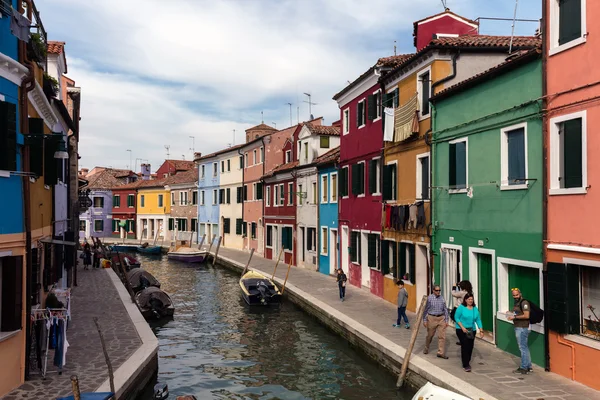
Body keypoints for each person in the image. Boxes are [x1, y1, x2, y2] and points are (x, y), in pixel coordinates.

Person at [454, 293, 484, 372]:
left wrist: (481, 330)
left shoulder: (475, 308)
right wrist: (462, 327)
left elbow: (478, 319)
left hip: (471, 330)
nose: (470, 301)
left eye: (471, 299)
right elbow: (456, 317)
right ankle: (465, 364)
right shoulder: (461, 307)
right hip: (461, 329)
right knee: (465, 346)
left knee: (470, 346)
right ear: (465, 300)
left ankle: (467, 360)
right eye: (469, 299)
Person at [507, 288, 532, 374]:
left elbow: (526, 315)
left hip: (522, 327)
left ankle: (523, 367)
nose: (515, 297)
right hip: (518, 326)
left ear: (520, 294)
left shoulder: (524, 303)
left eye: (516, 295)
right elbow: (518, 312)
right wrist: (510, 312)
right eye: (513, 295)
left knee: (522, 348)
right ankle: (528, 366)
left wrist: (514, 317)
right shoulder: (517, 303)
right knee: (524, 347)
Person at [423, 285, 449, 359]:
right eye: (437, 290)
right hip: (432, 318)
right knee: (430, 335)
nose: (438, 292)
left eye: (439, 290)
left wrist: (446, 320)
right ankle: (426, 347)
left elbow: (445, 309)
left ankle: (440, 352)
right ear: (433, 291)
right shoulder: (429, 298)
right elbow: (426, 310)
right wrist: (425, 320)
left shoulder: (442, 298)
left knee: (442, 336)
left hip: (441, 318)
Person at [451, 280, 473, 345]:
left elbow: (453, 293)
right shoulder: (470, 292)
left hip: (458, 309)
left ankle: (463, 338)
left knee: (453, 316)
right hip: (467, 309)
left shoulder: (462, 293)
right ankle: (469, 338)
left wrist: (454, 286)